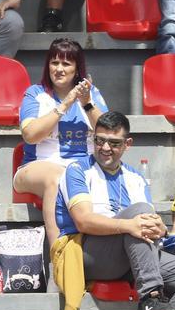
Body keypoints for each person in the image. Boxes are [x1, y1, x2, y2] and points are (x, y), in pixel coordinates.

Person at [55, 111, 175, 310]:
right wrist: (128, 225)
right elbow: (83, 221)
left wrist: (162, 230)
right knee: (139, 211)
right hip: (87, 253)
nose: (105, 148)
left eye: (114, 143)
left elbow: (149, 224)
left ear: (128, 144)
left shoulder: (135, 177)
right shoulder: (77, 170)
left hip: (132, 256)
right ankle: (151, 297)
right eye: (100, 140)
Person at [16, 37, 107, 244]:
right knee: (59, 178)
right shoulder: (36, 94)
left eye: (66, 63)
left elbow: (109, 133)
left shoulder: (91, 94)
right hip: (36, 168)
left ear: (77, 69)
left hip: (83, 167)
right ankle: (60, 254)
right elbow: (30, 135)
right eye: (54, 62)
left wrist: (87, 105)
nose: (59, 68)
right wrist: (65, 105)